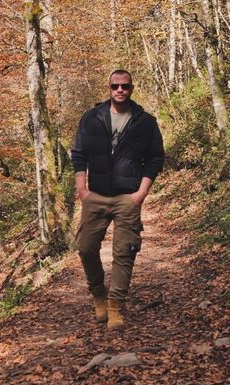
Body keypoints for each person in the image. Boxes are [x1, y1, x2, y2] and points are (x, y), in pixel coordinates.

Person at [71, 70, 165, 330]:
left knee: (124, 253)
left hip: (128, 197)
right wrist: (82, 190)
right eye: (115, 86)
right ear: (109, 88)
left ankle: (115, 307)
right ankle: (99, 296)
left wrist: (141, 193)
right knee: (86, 248)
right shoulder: (92, 117)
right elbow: (78, 154)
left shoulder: (145, 122)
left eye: (124, 86)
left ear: (131, 88)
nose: (120, 90)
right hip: (96, 196)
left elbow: (156, 158)